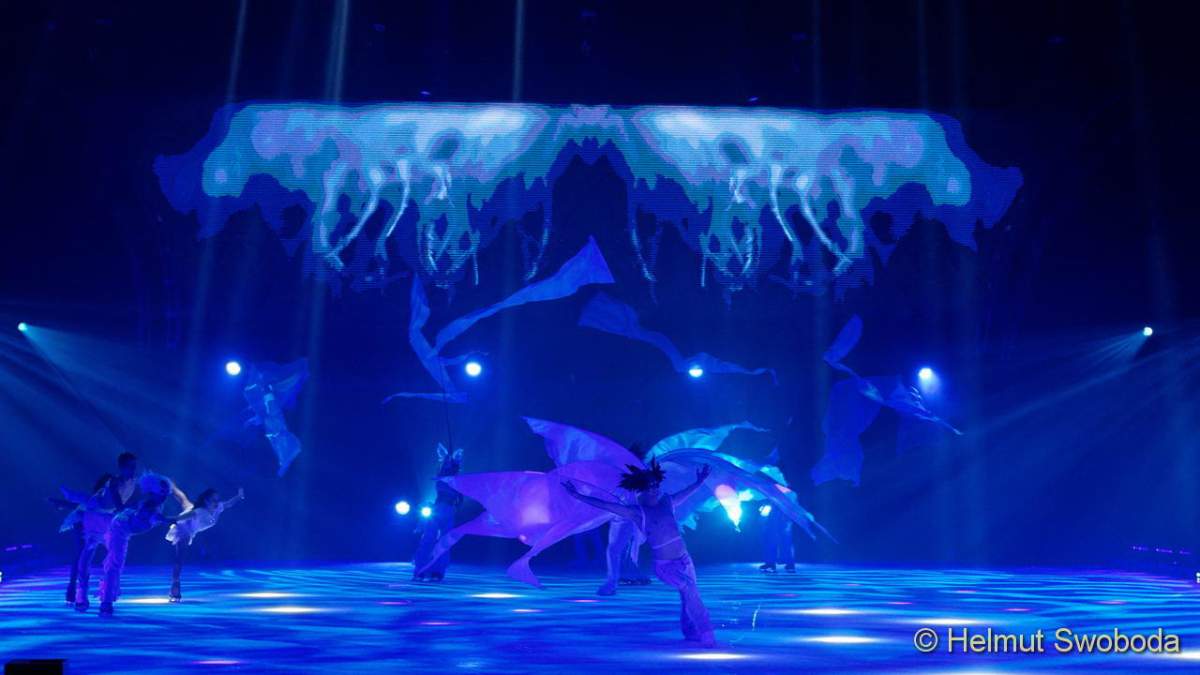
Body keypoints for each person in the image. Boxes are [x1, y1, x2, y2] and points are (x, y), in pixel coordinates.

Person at [563, 459, 717, 648]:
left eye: (656, 484)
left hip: (685, 560)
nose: (654, 489)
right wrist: (578, 496)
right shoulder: (638, 512)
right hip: (665, 566)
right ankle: (706, 631)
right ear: (642, 489)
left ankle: (690, 631)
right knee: (689, 588)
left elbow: (685, 493)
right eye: (650, 486)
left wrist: (699, 481)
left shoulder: (667, 502)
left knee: (688, 595)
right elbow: (606, 505)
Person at [95, 473, 180, 617]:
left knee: (115, 563)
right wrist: (169, 519)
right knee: (115, 563)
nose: (165, 494)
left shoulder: (158, 504)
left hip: (123, 528)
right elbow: (148, 515)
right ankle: (106, 601)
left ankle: (108, 596)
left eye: (167, 491)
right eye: (162, 491)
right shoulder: (149, 504)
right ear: (154, 490)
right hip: (119, 527)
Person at [62, 452, 139, 608]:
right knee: (89, 551)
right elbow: (117, 500)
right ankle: (81, 592)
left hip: (109, 518)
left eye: (133, 466)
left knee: (115, 554)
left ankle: (107, 591)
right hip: (95, 517)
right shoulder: (114, 481)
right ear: (121, 467)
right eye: (128, 466)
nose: (132, 469)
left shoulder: (133, 482)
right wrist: (126, 512)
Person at [165, 487, 245, 602]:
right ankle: (175, 588)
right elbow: (180, 518)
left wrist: (239, 496)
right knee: (179, 559)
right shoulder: (199, 512)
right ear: (206, 501)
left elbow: (228, 504)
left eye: (217, 500)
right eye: (214, 500)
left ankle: (170, 485)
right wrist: (166, 519)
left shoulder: (217, 508)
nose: (217, 502)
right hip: (184, 529)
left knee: (184, 500)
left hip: (192, 526)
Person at [412, 446, 463, 582]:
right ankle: (420, 569)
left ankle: (438, 571)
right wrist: (448, 459)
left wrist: (455, 462)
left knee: (444, 541)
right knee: (428, 538)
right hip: (438, 509)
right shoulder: (442, 477)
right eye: (446, 464)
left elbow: (460, 500)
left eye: (449, 464)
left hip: (448, 510)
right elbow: (444, 469)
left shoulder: (458, 481)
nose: (447, 466)